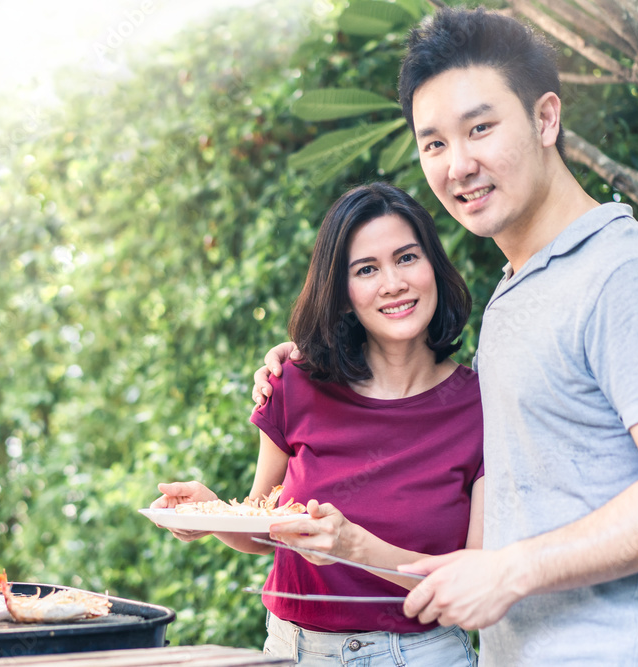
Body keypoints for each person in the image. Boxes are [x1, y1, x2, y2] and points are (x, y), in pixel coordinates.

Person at [253, 7, 638, 666]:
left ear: (546, 118)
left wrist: (511, 570)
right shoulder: (516, 293)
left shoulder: (626, 274)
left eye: (480, 127)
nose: (459, 164)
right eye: (434, 143)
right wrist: (309, 360)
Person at [153, 182, 483, 666]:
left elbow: (475, 588)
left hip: (422, 656)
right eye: (366, 269)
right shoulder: (294, 384)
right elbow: (265, 529)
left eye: (407, 258)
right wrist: (208, 513)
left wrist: (356, 548)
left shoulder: (479, 405)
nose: (393, 282)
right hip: (291, 650)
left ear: (434, 266)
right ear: (343, 294)